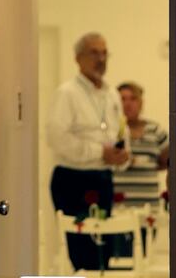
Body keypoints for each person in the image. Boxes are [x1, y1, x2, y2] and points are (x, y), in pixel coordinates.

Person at [47, 32, 129, 270]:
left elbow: (118, 131)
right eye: (94, 52)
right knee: (82, 254)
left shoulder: (111, 93)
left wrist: (122, 156)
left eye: (104, 53)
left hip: (103, 178)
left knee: (104, 251)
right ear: (78, 58)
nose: (101, 58)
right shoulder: (67, 93)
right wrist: (98, 152)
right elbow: (57, 138)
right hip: (73, 179)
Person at [113, 82, 168, 210]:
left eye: (133, 98)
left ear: (141, 103)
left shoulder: (155, 130)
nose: (127, 104)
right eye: (123, 99)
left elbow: (168, 160)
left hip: (149, 208)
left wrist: (148, 165)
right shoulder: (111, 130)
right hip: (118, 208)